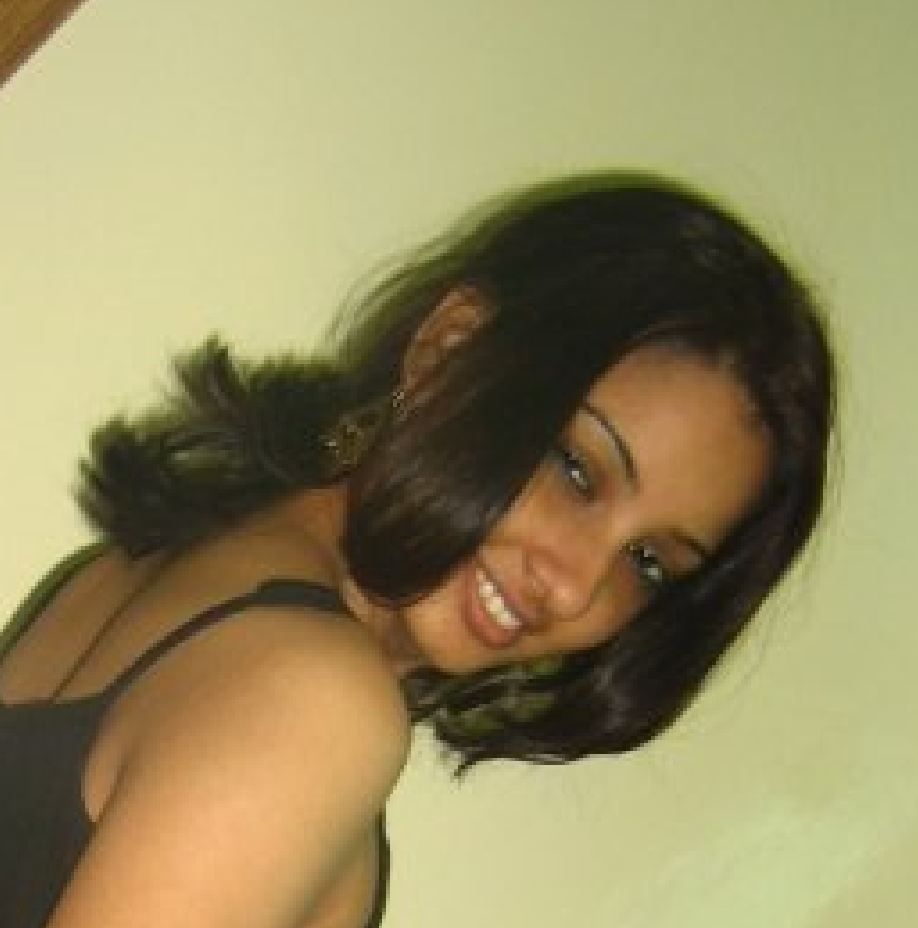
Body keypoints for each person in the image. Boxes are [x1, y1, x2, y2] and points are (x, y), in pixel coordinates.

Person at [0, 171, 834, 928]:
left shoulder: (139, 570)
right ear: (449, 349)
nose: (576, 587)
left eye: (649, 564)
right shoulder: (316, 703)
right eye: (577, 469)